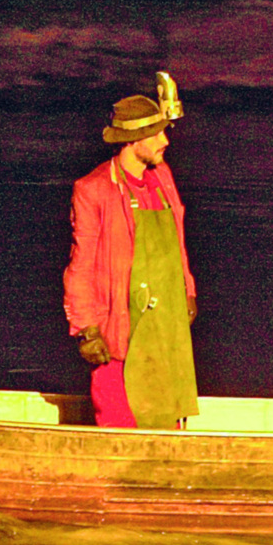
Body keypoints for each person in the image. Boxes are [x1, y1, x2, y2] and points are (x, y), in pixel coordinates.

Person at [62, 72, 200, 430]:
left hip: (164, 328)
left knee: (168, 424)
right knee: (121, 425)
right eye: (156, 135)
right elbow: (81, 266)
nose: (165, 141)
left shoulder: (162, 179)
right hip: (120, 333)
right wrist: (86, 329)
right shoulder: (94, 190)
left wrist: (187, 289)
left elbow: (177, 242)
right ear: (133, 139)